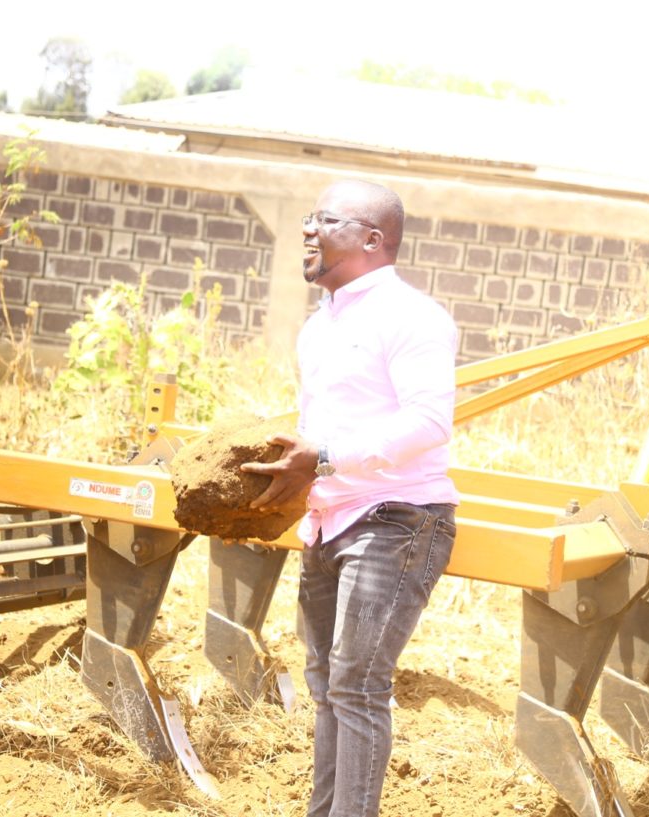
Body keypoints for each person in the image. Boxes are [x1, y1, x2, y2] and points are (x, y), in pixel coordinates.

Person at [242, 179, 459, 817]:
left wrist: (327, 459)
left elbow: (429, 424)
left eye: (325, 219)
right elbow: (320, 429)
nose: (308, 229)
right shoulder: (319, 328)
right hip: (330, 522)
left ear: (371, 239)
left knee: (358, 686)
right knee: (328, 687)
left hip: (397, 521)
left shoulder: (412, 318)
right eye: (307, 217)